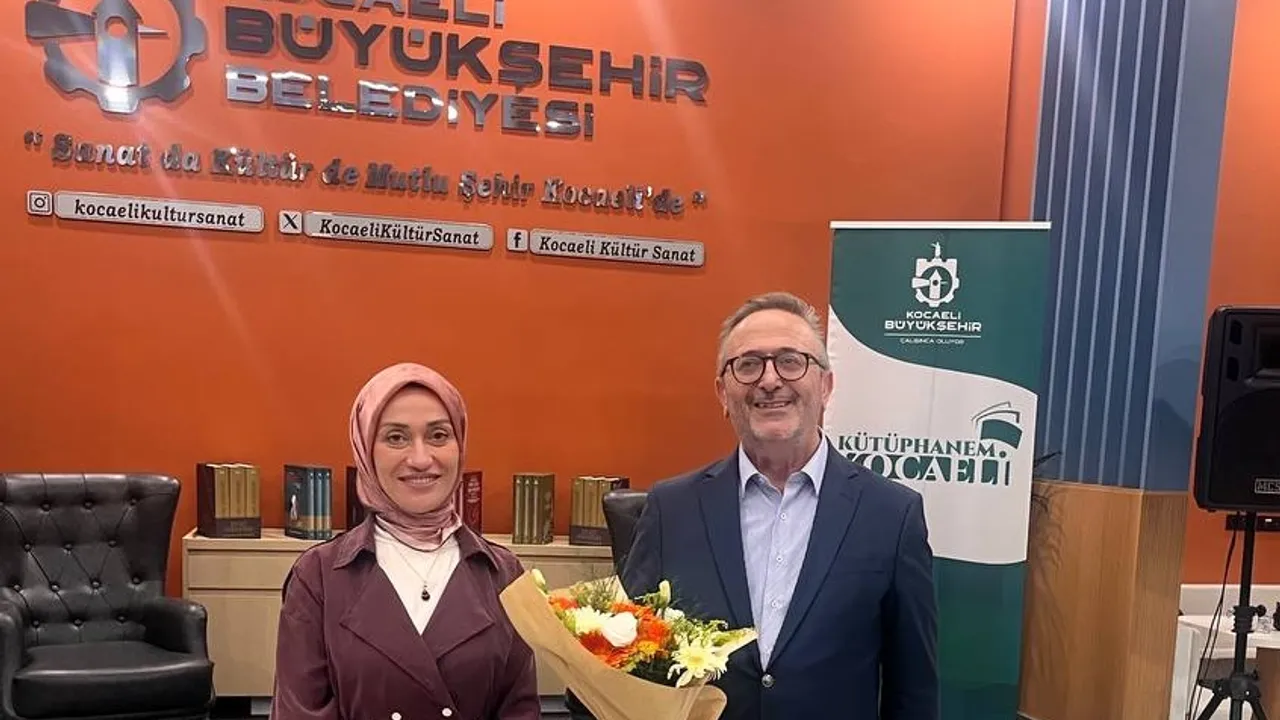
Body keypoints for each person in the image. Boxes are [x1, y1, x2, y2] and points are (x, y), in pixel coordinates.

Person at [621, 291, 939, 720]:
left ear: (825, 386)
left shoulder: (892, 516)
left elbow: (913, 693)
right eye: (748, 365)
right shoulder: (671, 511)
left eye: (791, 361)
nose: (770, 381)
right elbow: (620, 664)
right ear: (722, 392)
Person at [271, 362, 540, 720]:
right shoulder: (317, 576)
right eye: (396, 438)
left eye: (438, 435)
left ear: (460, 445)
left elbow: (520, 712)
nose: (420, 459)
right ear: (365, 450)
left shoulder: (504, 574)